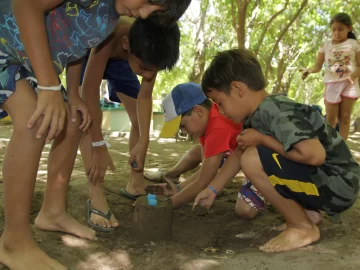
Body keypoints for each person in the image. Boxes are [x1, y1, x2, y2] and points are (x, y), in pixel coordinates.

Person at [0, 0, 190, 269]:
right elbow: (26, 5)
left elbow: (77, 45)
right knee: (35, 121)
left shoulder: (111, 19)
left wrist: (73, 95)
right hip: (5, 45)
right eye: (148, 2)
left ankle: (52, 212)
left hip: (25, 60)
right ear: (127, 47)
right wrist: (50, 88)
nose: (146, 14)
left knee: (75, 120)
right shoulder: (110, 19)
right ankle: (14, 243)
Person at [194, 48, 360, 253]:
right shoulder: (256, 116)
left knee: (252, 159)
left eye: (220, 103)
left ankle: (302, 227)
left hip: (339, 184)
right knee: (249, 154)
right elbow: (237, 154)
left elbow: (315, 156)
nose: (220, 111)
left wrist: (263, 139)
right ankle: (308, 215)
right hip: (329, 181)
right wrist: (212, 190)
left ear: (237, 89)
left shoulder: (276, 111)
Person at [79, 17, 180, 231]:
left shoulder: (153, 44)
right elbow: (88, 92)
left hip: (124, 59)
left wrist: (144, 140)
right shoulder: (109, 32)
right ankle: (96, 192)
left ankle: (136, 183)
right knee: (85, 117)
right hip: (91, 53)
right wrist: (98, 144)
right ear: (127, 44)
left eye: (154, 70)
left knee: (138, 116)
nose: (149, 75)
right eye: (144, 69)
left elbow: (145, 97)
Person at [145, 83, 243, 208]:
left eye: (182, 126)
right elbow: (205, 172)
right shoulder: (206, 122)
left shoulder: (217, 127)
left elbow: (204, 181)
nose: (183, 132)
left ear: (198, 111)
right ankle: (173, 174)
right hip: (234, 154)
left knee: (244, 209)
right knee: (197, 152)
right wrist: (178, 189)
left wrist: (169, 205)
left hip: (254, 158)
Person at [302, 13, 360, 141]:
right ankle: (329, 146)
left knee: (345, 117)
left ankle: (342, 149)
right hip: (332, 83)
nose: (337, 33)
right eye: (333, 29)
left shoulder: (355, 44)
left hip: (349, 84)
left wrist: (353, 76)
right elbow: (318, 66)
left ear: (349, 28)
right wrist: (309, 70)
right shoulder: (325, 45)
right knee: (331, 119)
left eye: (341, 29)